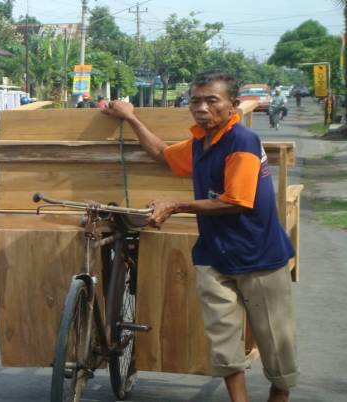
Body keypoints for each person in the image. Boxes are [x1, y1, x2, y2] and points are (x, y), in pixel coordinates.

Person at [102, 71, 298, 402]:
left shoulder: (242, 141)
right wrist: (131, 117)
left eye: (212, 100)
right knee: (223, 342)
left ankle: (279, 396)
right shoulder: (199, 144)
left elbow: (235, 201)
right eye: (195, 100)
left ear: (232, 105)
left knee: (276, 343)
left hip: (259, 256)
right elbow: (163, 154)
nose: (202, 108)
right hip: (213, 255)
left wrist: (175, 204)